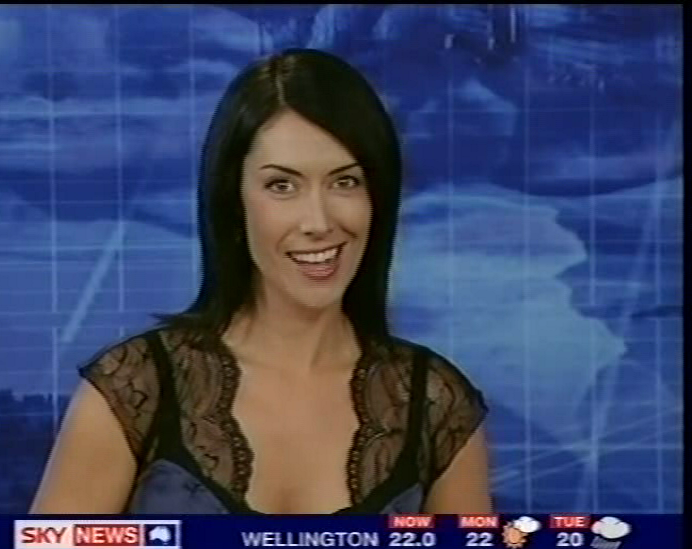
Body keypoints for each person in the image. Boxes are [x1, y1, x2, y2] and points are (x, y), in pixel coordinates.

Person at [30, 48, 492, 515]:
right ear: (234, 201)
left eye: (345, 182)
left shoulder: (435, 405)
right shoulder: (135, 390)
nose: (318, 222)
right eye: (282, 186)